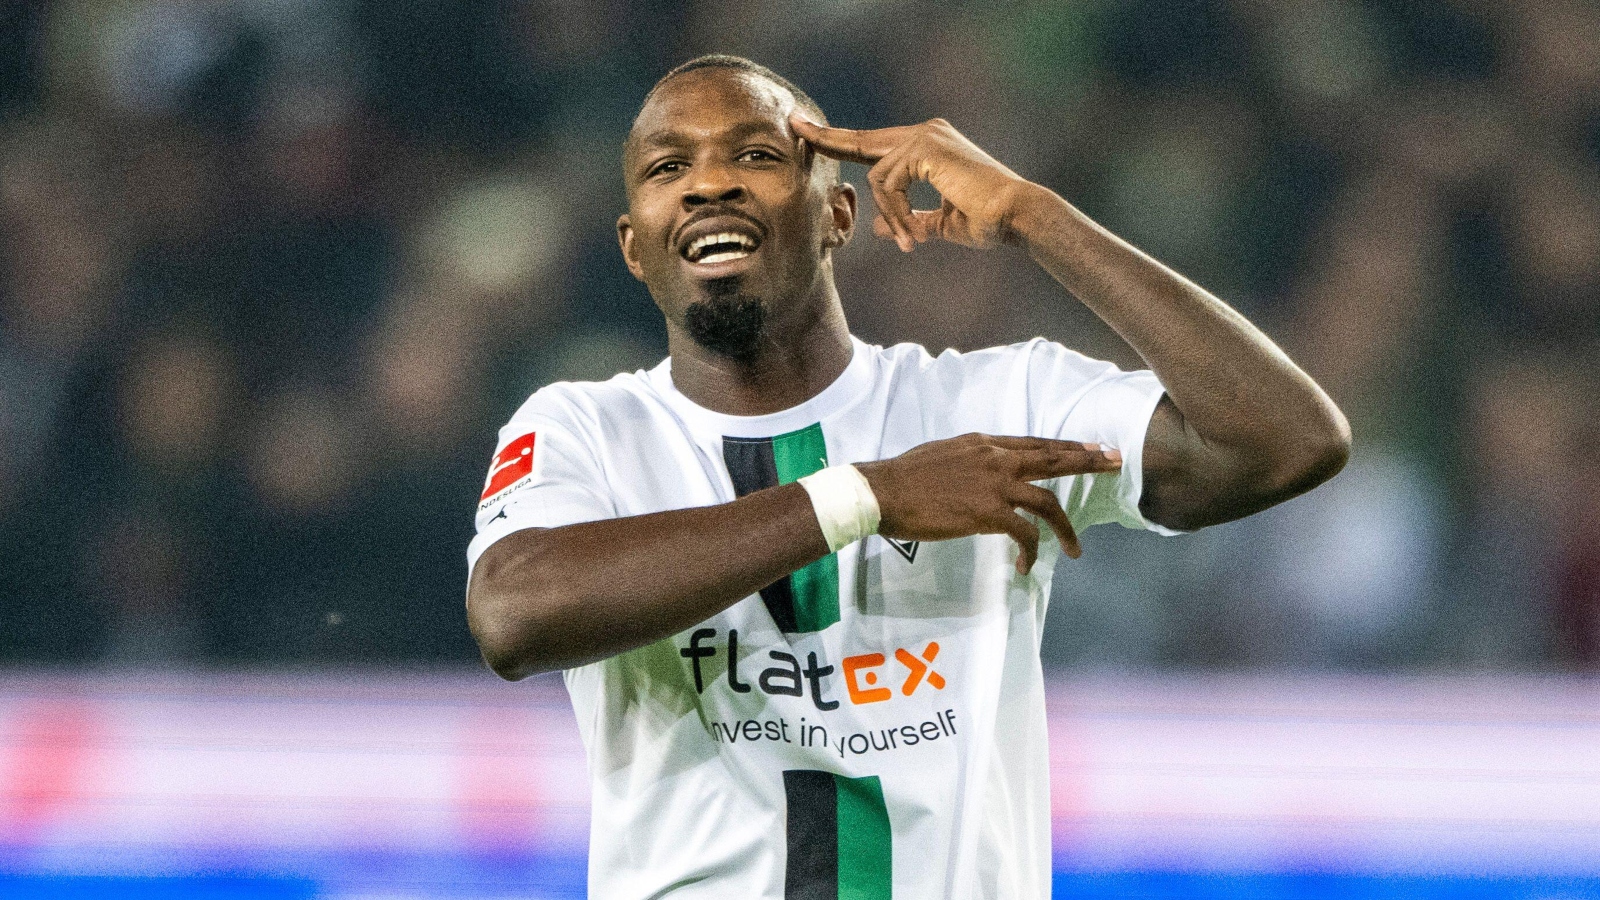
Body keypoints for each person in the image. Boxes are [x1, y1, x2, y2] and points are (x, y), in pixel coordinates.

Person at [465, 55, 1349, 899]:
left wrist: (1036, 215)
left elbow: (1289, 441)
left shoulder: (996, 400)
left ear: (838, 216)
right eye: (668, 167)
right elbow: (515, 613)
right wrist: (866, 497)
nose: (708, 182)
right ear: (633, 246)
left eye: (757, 154)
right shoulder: (585, 427)